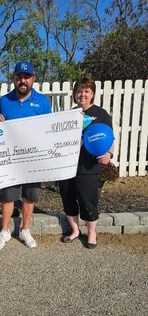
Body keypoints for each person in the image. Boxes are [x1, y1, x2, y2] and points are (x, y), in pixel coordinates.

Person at [0, 61, 52, 250]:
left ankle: (24, 229)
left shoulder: (42, 101)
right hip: (11, 159)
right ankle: (5, 231)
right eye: (19, 77)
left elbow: (48, 128)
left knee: (30, 195)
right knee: (8, 196)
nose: (23, 80)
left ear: (33, 79)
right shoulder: (4, 100)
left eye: (27, 77)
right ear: (14, 79)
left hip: (33, 159)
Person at [58, 76, 114, 249]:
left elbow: (110, 137)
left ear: (93, 94)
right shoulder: (70, 114)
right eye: (79, 91)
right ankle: (75, 230)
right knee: (68, 198)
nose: (82, 94)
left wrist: (109, 154)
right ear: (75, 94)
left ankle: (91, 233)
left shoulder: (101, 114)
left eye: (86, 91)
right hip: (67, 165)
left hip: (88, 167)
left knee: (88, 200)